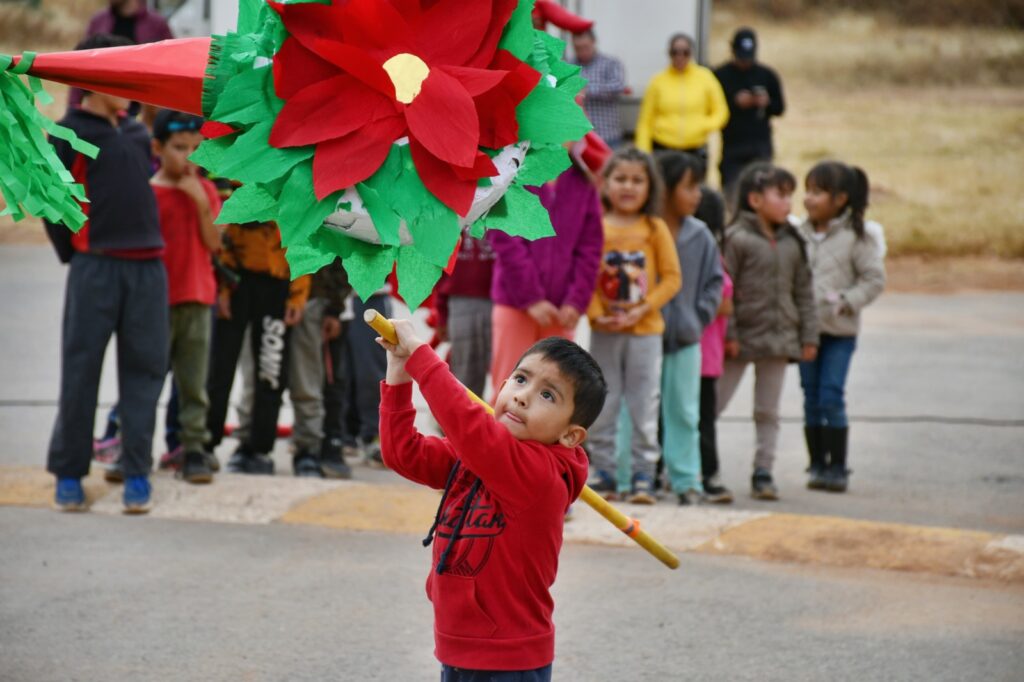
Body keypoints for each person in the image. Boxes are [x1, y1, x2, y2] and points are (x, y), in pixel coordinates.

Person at [379, 323, 605, 682]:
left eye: (548, 395)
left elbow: (469, 428)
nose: (523, 396)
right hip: (457, 646)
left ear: (570, 435)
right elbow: (402, 453)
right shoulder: (480, 454)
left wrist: (424, 360)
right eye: (520, 379)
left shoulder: (539, 475)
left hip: (509, 659)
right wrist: (399, 372)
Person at [44, 34, 169, 514]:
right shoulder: (67, 133)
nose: (128, 85)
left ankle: (137, 471)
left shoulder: (138, 133)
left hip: (148, 269)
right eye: (118, 74)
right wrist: (77, 256)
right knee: (80, 372)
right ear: (91, 78)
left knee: (146, 372)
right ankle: (69, 472)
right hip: (94, 268)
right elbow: (54, 209)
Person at [615, 152, 723, 505]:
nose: (698, 195)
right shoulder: (642, 230)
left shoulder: (701, 235)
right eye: (690, 186)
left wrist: (697, 319)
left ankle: (686, 480)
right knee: (635, 410)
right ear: (666, 189)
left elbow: (714, 283)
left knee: (684, 412)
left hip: (685, 340)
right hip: (642, 335)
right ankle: (626, 477)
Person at [717, 161, 818, 501]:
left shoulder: (794, 242)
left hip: (779, 340)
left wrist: (809, 336)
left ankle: (764, 471)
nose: (788, 204)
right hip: (740, 339)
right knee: (714, 403)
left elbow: (804, 291)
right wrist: (729, 334)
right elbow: (724, 288)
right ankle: (691, 463)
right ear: (755, 199)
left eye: (791, 196)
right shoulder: (736, 239)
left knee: (768, 411)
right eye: (780, 195)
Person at [586, 148, 682, 503]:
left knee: (644, 404)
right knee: (604, 402)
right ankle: (604, 472)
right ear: (606, 182)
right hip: (605, 332)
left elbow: (672, 278)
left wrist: (641, 310)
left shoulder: (655, 228)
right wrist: (597, 314)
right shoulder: (596, 224)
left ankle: (644, 475)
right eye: (620, 178)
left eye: (637, 180)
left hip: (645, 334)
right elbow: (588, 275)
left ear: (650, 187)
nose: (628, 186)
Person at [798, 161, 886, 492]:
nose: (808, 198)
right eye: (807, 190)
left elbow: (874, 278)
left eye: (817, 192)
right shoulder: (799, 234)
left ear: (840, 199)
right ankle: (817, 464)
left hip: (840, 333)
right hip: (806, 332)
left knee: (831, 395)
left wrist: (848, 300)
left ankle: (838, 467)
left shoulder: (857, 237)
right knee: (810, 397)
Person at [488, 158, 603, 400]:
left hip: (560, 310)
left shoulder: (584, 183)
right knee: (508, 384)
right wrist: (531, 298)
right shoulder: (515, 174)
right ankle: (500, 438)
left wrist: (576, 301)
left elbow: (590, 249)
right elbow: (505, 239)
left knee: (554, 386)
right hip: (515, 303)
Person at [203, 216, 310, 475]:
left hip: (277, 284)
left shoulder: (293, 183)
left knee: (270, 372)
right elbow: (224, 239)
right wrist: (223, 291)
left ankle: (259, 449)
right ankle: (205, 445)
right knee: (220, 368)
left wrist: (297, 295)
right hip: (236, 279)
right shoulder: (239, 182)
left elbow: (304, 240)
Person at [150, 109, 222, 484]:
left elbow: (214, 244)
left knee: (193, 381)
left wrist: (198, 199)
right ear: (157, 148)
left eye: (196, 148)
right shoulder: (150, 192)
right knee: (149, 375)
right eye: (180, 148)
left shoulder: (206, 190)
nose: (189, 157)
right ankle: (133, 442)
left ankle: (193, 448)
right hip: (156, 302)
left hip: (197, 298)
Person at [232, 259, 352, 477]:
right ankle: (250, 443)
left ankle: (307, 449)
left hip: (312, 297)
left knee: (306, 381)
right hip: (261, 288)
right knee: (259, 376)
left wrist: (335, 306)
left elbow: (341, 248)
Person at [714, 27, 786, 196]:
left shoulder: (767, 75)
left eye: (748, 57)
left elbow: (780, 108)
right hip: (732, 146)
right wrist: (734, 102)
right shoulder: (721, 75)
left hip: (760, 145)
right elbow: (711, 107)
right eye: (741, 57)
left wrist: (766, 103)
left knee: (763, 191)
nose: (745, 62)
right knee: (732, 193)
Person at [635, 33, 729, 162]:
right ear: (669, 53)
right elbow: (645, 121)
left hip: (695, 148)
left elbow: (721, 111)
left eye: (685, 52)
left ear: (691, 53)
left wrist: (703, 125)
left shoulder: (705, 77)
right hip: (664, 147)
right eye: (675, 52)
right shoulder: (658, 81)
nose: (680, 57)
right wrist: (643, 152)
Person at [697, 192, 735, 504]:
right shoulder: (715, 252)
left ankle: (708, 473)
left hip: (701, 355)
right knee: (699, 419)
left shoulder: (705, 251)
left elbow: (724, 304)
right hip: (703, 355)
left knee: (697, 419)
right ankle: (709, 475)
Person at [434, 231, 496, 398]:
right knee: (465, 373)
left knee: (505, 373)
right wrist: (441, 313)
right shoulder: (452, 210)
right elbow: (438, 268)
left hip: (502, 299)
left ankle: (497, 422)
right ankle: (460, 420)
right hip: (459, 300)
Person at [571, 28, 627, 149]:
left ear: (594, 42)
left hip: (608, 136)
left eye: (585, 47)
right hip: (579, 139)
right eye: (578, 48)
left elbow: (618, 86)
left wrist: (586, 90)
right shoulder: (569, 66)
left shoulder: (610, 63)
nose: (582, 52)